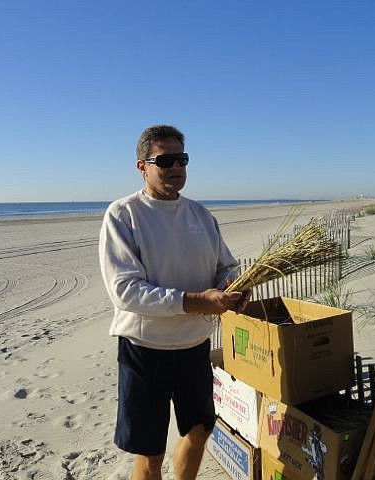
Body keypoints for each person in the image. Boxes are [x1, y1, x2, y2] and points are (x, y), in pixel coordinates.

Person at [99, 125, 246, 480]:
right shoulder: (124, 215)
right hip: (144, 349)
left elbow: (225, 266)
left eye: (182, 159)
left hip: (194, 346)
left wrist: (233, 285)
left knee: (200, 430)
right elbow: (126, 291)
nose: (176, 167)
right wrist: (197, 301)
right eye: (165, 160)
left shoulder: (200, 215)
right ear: (142, 166)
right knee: (150, 451)